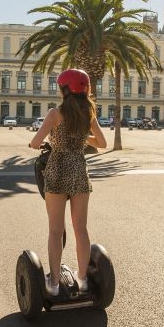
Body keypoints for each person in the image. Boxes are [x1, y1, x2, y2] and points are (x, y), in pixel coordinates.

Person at [29, 69, 107, 296]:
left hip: (56, 170)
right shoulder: (88, 115)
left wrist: (39, 142)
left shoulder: (55, 114)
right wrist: (82, 136)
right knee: (80, 227)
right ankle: (82, 279)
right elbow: (101, 143)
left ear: (64, 89)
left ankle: (53, 284)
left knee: (55, 230)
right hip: (79, 171)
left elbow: (36, 142)